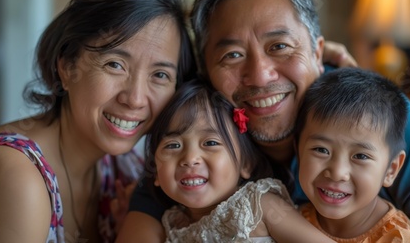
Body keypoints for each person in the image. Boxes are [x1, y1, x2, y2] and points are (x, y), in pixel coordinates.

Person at [118, 0, 410, 242]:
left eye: (279, 46)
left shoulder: (372, 115)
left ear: (318, 53)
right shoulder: (192, 142)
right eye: (232, 55)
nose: (261, 76)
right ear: (206, 73)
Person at [0, 0, 197, 243]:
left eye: (160, 75)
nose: (136, 98)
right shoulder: (14, 176)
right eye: (115, 64)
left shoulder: (124, 170)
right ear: (67, 66)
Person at [144, 79, 336, 242]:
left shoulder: (258, 205)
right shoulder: (173, 225)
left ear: (245, 164)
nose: (190, 158)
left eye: (210, 142)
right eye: (172, 145)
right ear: (156, 172)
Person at [295, 67, 410, 242]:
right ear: (298, 151)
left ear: (391, 170)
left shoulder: (396, 236)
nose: (338, 172)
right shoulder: (295, 217)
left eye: (361, 156)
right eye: (321, 150)